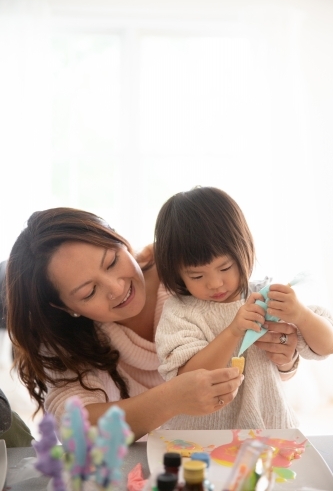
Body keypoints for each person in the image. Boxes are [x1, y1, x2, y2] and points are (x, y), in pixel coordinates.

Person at [5, 207, 245, 442]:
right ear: (64, 308)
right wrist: (170, 399)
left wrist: (283, 352)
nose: (117, 288)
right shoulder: (66, 341)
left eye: (111, 262)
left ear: (119, 239)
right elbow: (76, 429)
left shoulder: (187, 272)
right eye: (89, 292)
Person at [154, 186, 333, 430]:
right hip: (201, 438)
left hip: (270, 430)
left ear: (244, 249)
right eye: (196, 276)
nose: (215, 283)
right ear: (177, 274)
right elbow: (186, 378)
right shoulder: (181, 310)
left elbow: (327, 344)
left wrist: (301, 315)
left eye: (225, 268)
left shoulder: (266, 295)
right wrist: (233, 331)